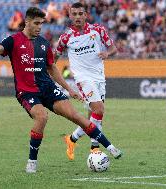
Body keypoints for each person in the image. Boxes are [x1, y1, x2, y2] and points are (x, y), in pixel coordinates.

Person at [0, 7, 122, 173]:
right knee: (42, 117)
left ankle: (111, 148)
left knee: (76, 116)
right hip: (27, 91)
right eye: (36, 23)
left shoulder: (43, 43)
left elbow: (52, 68)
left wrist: (69, 89)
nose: (39, 27)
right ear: (27, 22)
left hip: (48, 88)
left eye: (41, 24)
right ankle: (32, 161)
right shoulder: (13, 40)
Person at [54, 2, 118, 160]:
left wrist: (107, 53)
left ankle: (74, 139)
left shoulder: (98, 30)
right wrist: (48, 71)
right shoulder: (66, 37)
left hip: (99, 77)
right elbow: (53, 58)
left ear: (86, 15)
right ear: (69, 16)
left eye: (80, 13)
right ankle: (96, 148)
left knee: (94, 116)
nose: (77, 17)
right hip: (83, 79)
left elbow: (113, 48)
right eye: (74, 14)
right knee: (99, 110)